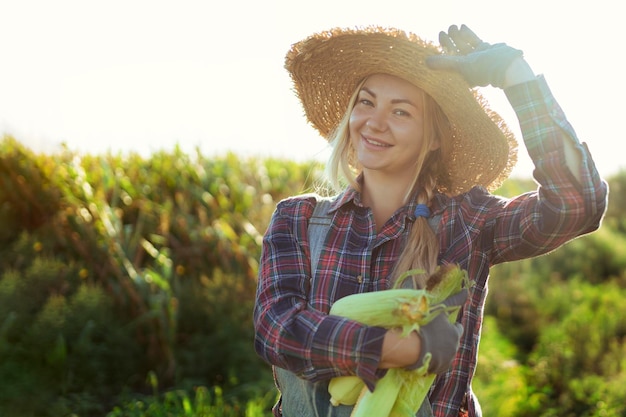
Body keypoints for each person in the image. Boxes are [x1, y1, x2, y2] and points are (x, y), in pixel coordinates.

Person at [253, 24, 608, 417]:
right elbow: (277, 329)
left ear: (435, 136)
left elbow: (576, 204)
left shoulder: (468, 222)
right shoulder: (298, 219)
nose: (374, 122)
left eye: (401, 111)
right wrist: (406, 349)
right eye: (366, 102)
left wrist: (515, 76)